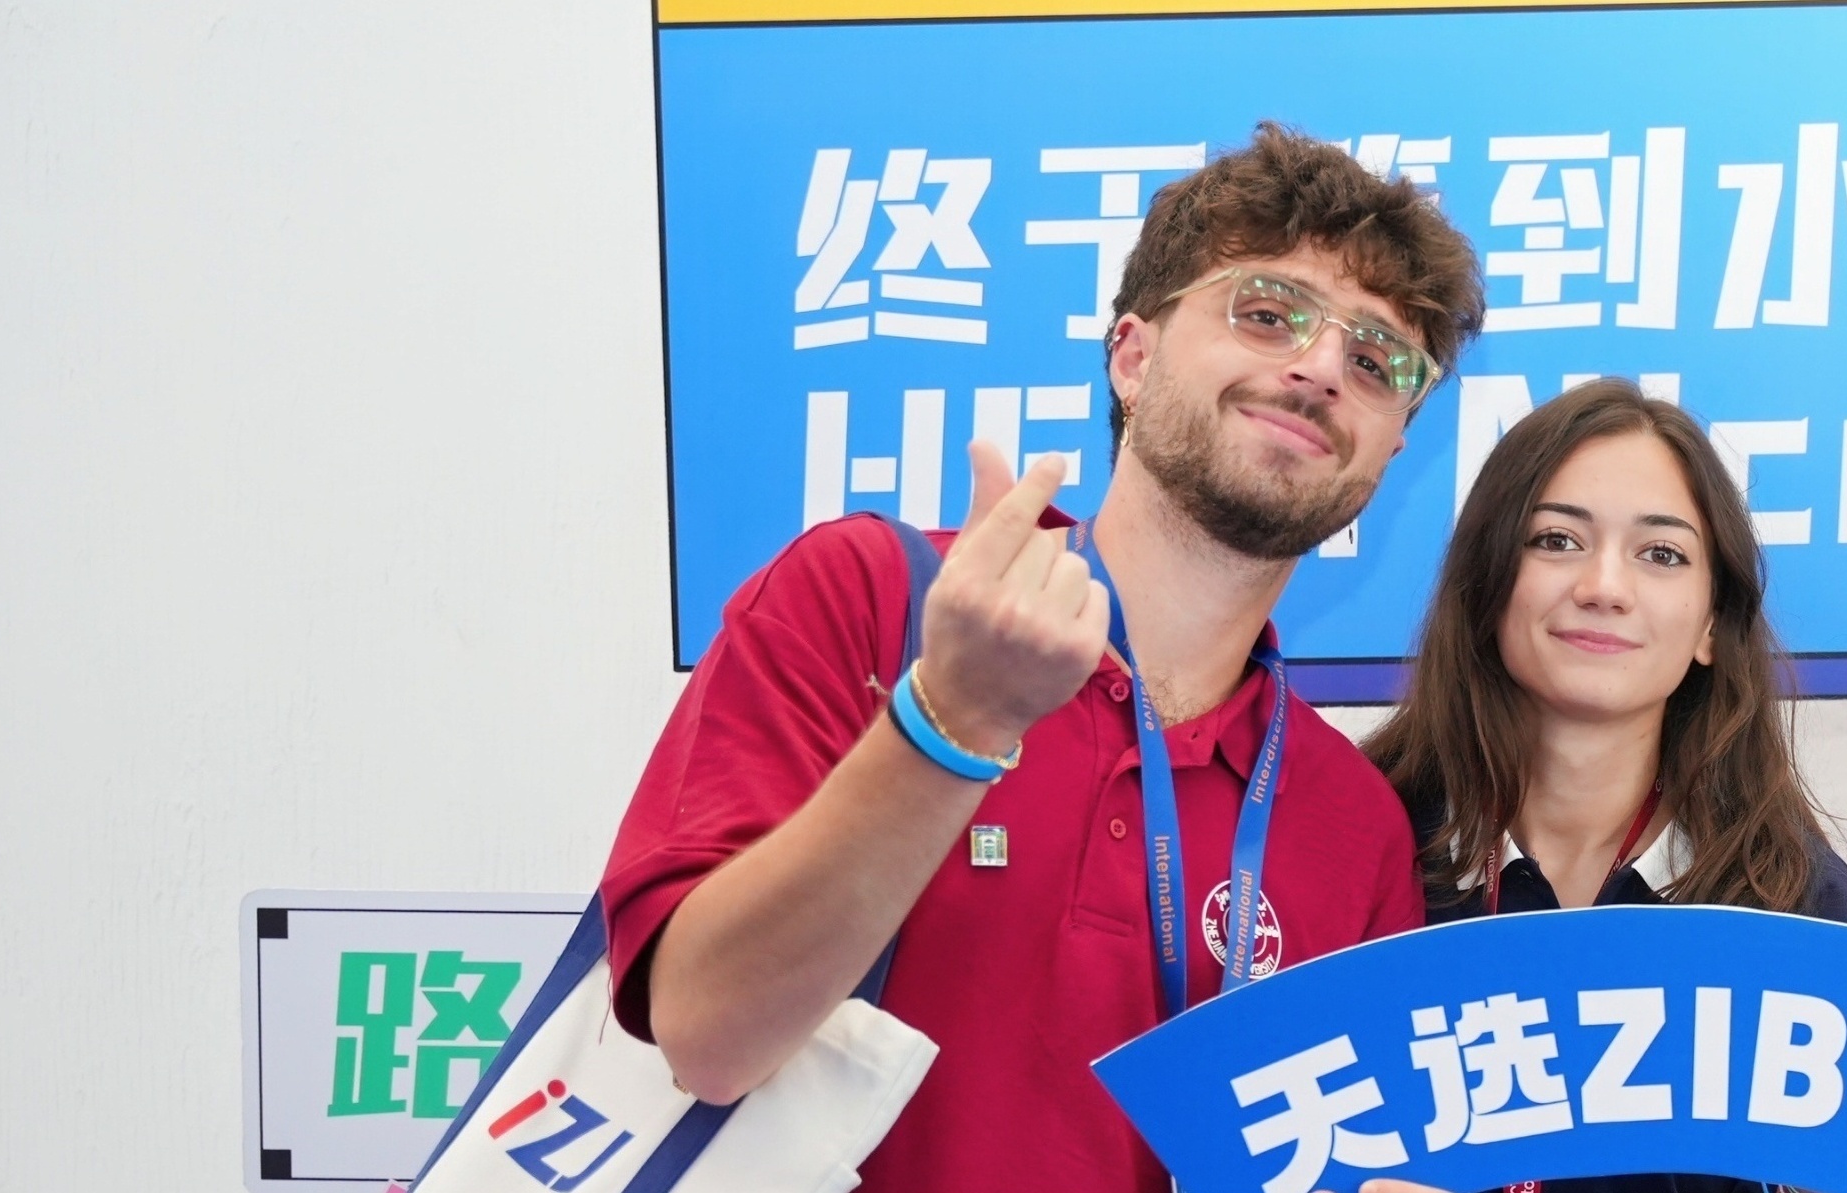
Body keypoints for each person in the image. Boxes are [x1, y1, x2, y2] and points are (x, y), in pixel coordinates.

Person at [595, 122, 1483, 1191]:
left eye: (1377, 360)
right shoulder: (873, 597)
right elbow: (706, 1036)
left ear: (1392, 448)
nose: (1321, 367)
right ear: (1133, 355)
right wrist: (952, 719)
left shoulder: (1355, 826)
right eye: (1267, 312)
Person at [1361, 379, 1847, 1193]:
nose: (1604, 586)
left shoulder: (1792, 901)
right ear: (1488, 586)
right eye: (1557, 540)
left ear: (1712, 624)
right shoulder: (1362, 841)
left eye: (1662, 554)